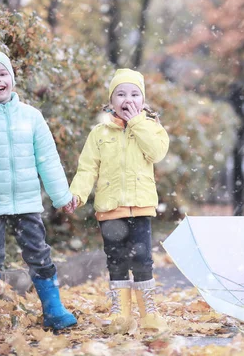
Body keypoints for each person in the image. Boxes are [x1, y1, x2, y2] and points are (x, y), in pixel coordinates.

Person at [0, 51, 77, 331]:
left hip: (27, 202)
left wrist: (62, 197)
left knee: (38, 253)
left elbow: (48, 159)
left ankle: (54, 309)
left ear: (12, 78)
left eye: (2, 73)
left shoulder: (32, 117)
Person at [66, 68, 169, 334]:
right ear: (111, 101)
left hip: (141, 206)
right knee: (116, 260)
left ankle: (148, 314)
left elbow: (156, 153)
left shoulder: (151, 128)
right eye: (121, 94)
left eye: (135, 94)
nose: (128, 99)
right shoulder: (99, 133)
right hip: (111, 209)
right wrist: (77, 194)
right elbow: (87, 168)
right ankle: (120, 313)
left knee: (143, 258)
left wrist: (137, 123)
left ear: (143, 101)